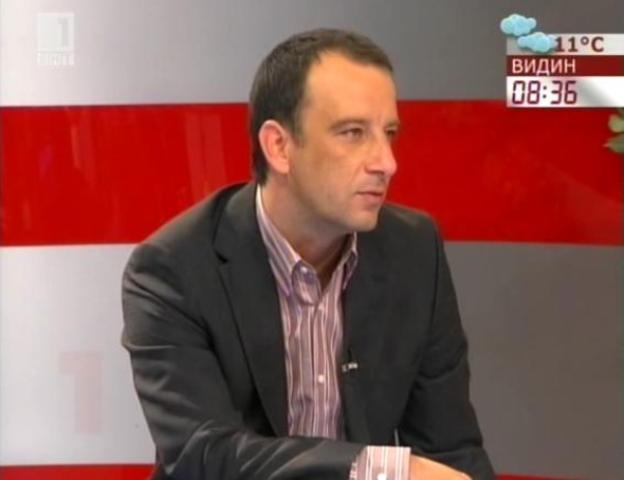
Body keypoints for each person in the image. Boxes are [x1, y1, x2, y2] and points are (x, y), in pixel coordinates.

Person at [122, 28, 495, 480]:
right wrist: (378, 469)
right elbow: (204, 455)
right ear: (279, 147)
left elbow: (451, 448)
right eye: (353, 133)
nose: (386, 162)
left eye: (389, 133)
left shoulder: (414, 251)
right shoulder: (173, 269)